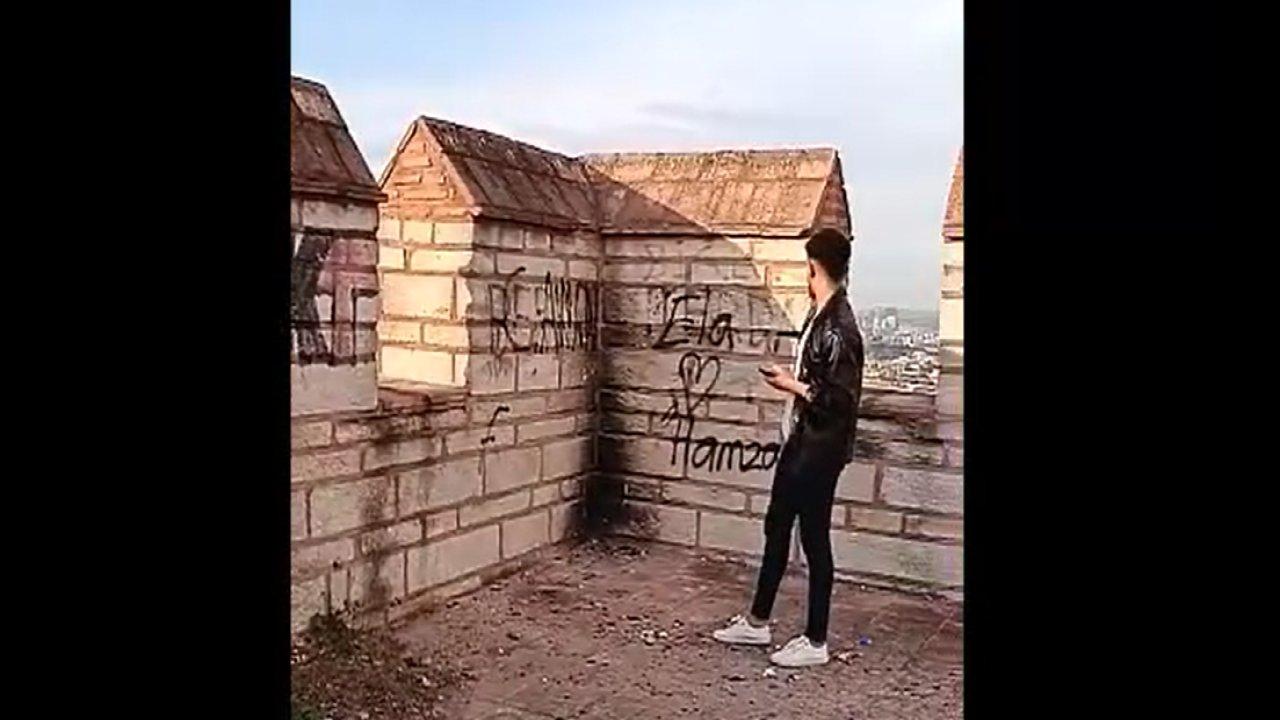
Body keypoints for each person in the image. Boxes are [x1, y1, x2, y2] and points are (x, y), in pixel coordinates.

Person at [712, 227, 864, 667]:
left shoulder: (839, 328)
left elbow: (839, 401)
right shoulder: (822, 316)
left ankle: (815, 641)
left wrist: (790, 385)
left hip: (818, 451)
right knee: (777, 527)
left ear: (813, 267)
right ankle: (757, 622)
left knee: (814, 539)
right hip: (802, 443)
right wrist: (794, 381)